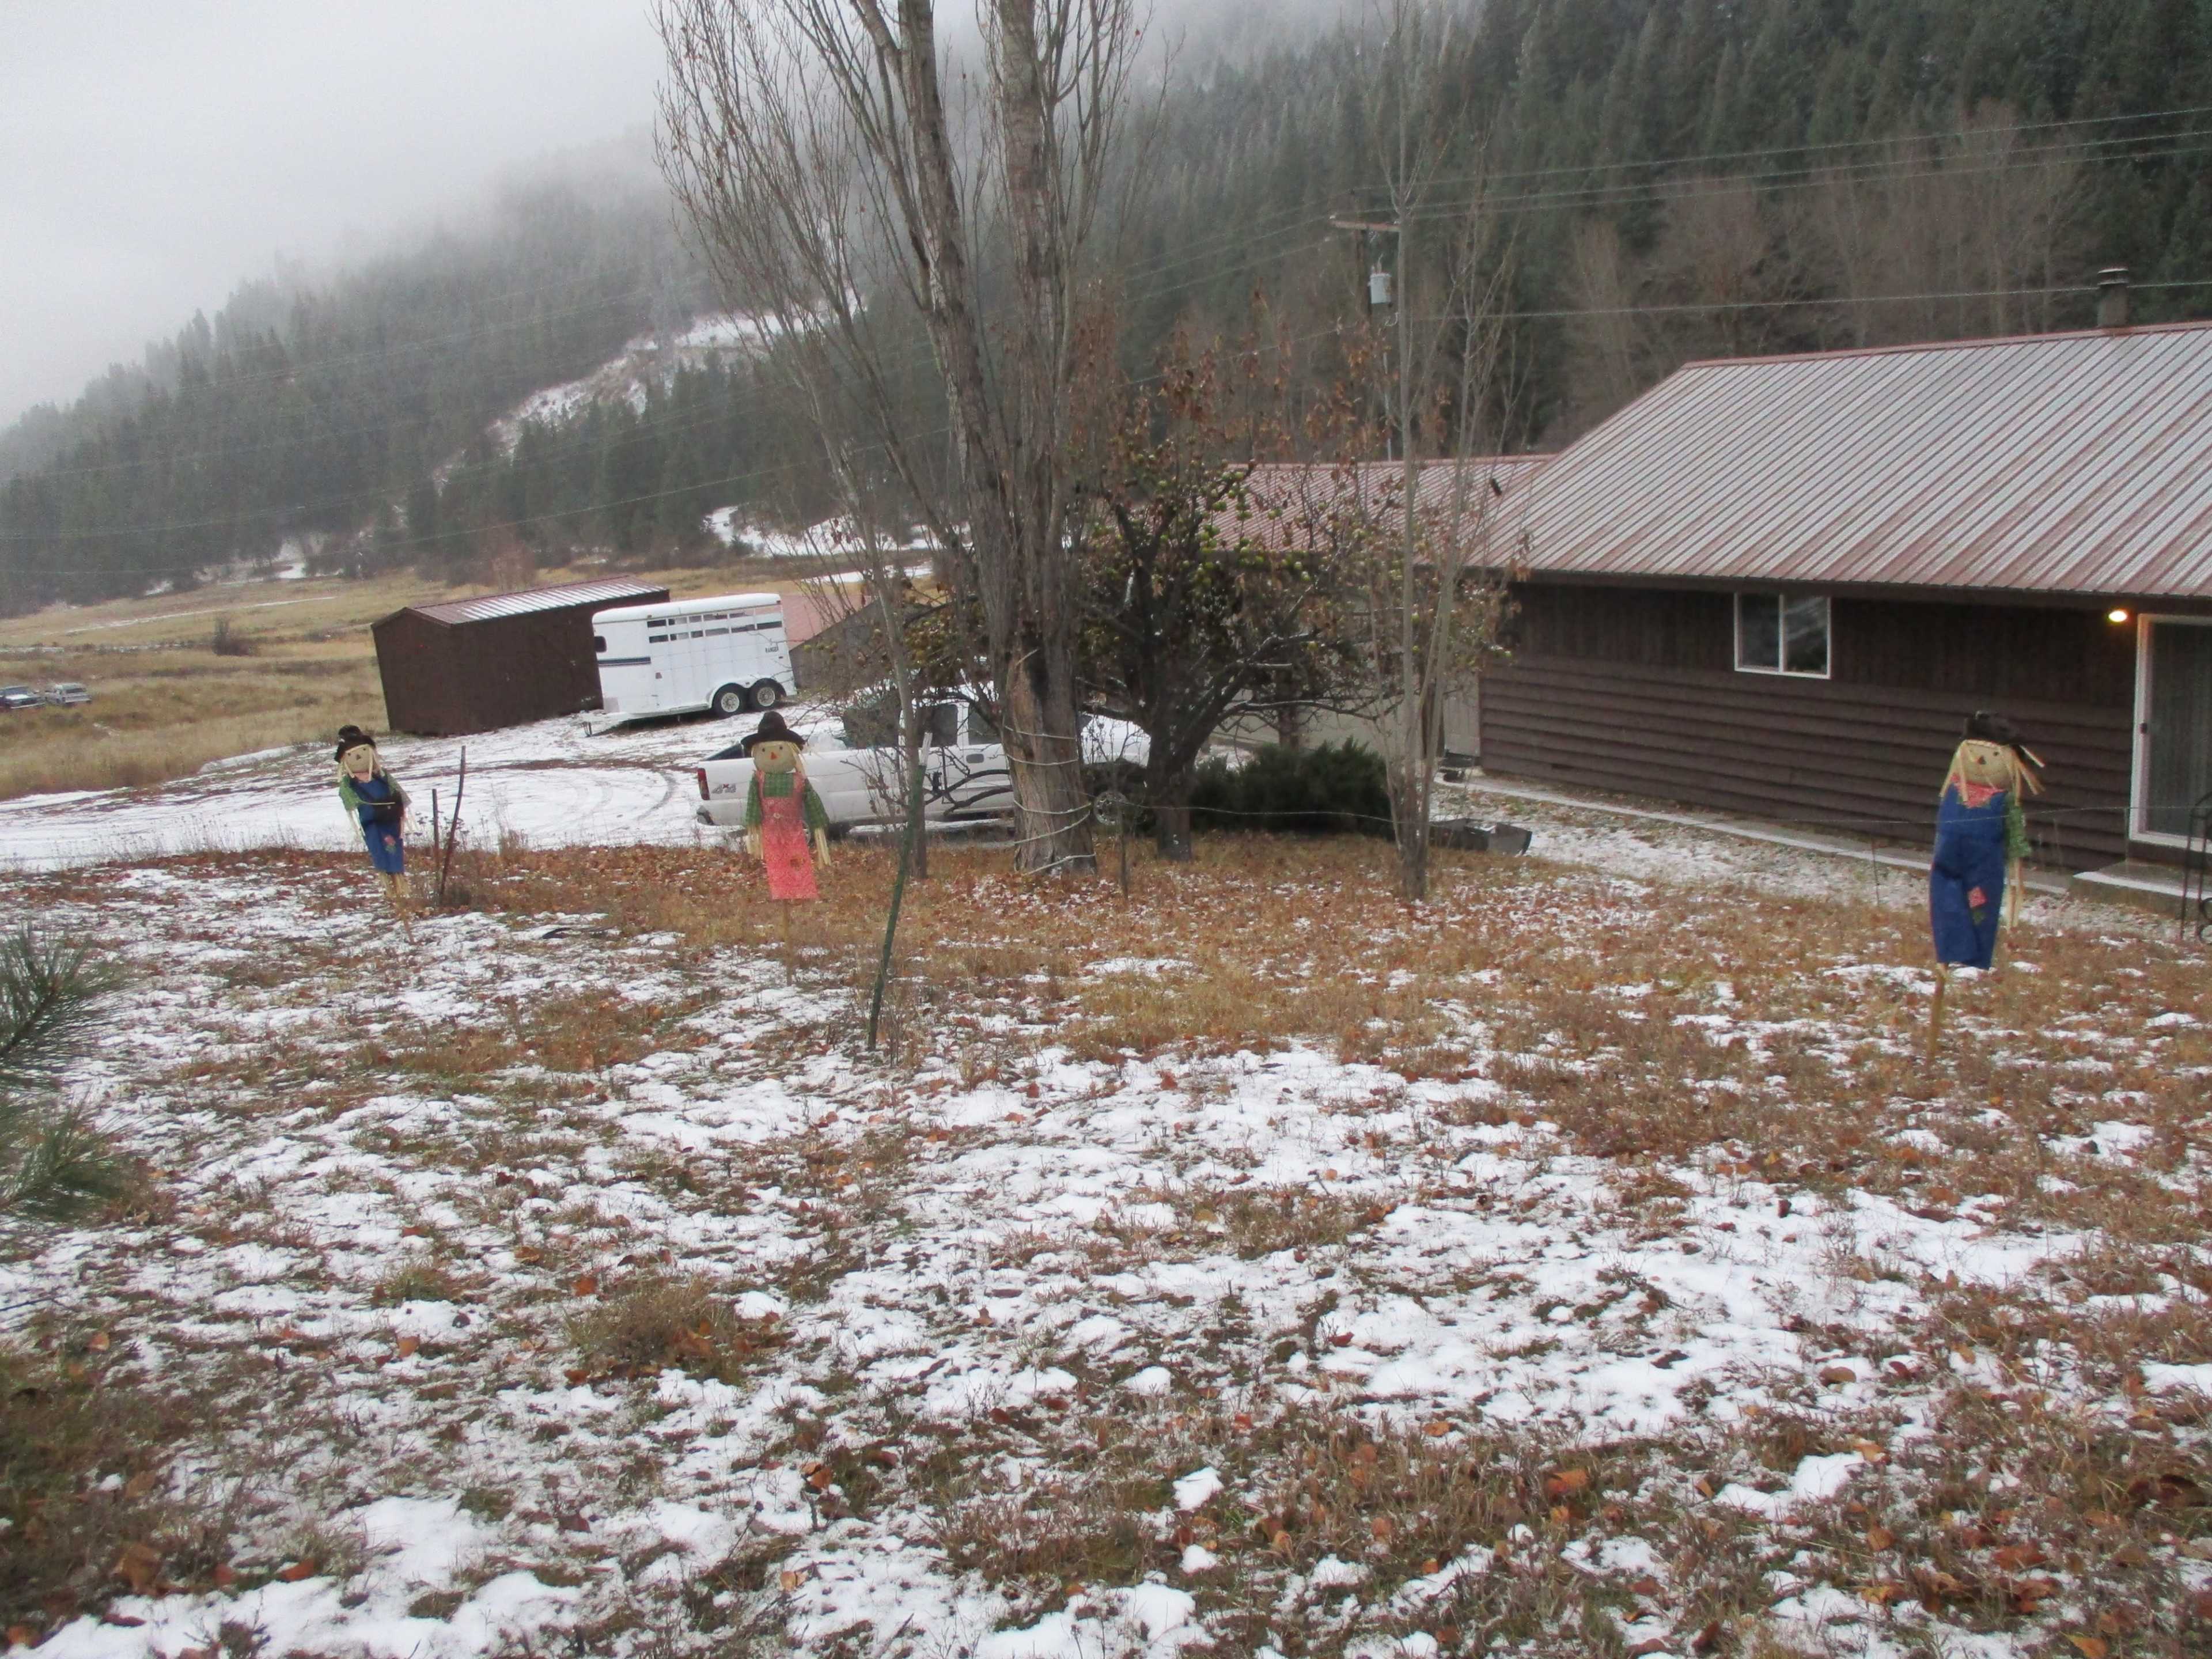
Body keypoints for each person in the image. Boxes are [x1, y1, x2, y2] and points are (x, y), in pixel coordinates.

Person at [1929, 710, 2041, 973]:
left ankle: (1972, 958)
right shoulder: (1954, 790)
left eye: (1993, 756)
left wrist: (2015, 866)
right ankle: (1950, 950)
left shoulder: (2004, 801)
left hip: (1984, 861)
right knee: (1945, 899)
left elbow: (2014, 836)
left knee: (1980, 903)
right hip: (1947, 857)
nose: (1979, 760)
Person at [741, 710, 830, 906]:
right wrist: (753, 826)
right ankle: (783, 894)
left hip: (794, 831)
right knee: (777, 866)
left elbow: (813, 804)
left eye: (780, 749)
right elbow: (753, 806)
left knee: (797, 862)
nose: (773, 754)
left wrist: (818, 827)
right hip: (771, 833)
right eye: (765, 751)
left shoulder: (800, 781)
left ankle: (797, 894)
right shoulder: (759, 780)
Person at [335, 725, 412, 916]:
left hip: (390, 820)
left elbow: (398, 794)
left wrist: (401, 810)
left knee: (394, 850)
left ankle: (399, 886)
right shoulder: (350, 783)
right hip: (372, 823)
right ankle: (390, 887)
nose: (359, 758)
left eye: (363, 752)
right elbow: (348, 800)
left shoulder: (382, 777)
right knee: (380, 852)